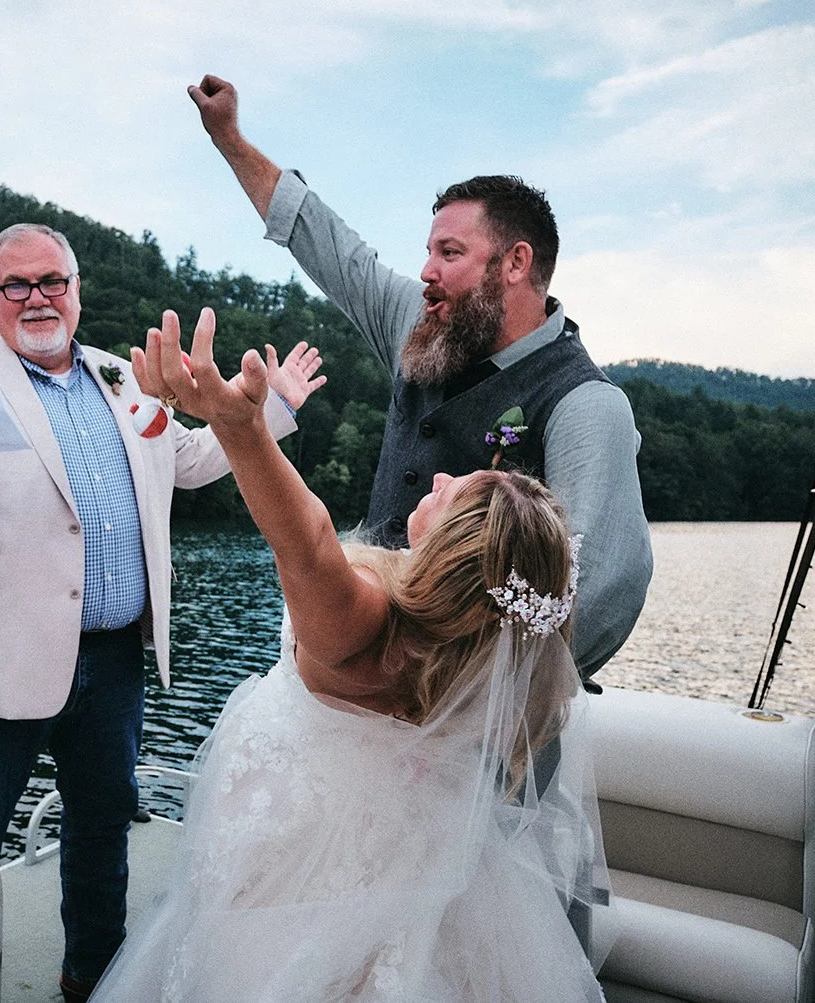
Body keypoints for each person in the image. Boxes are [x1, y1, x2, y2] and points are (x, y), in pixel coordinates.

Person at [0, 222, 326, 1001]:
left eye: (52, 282)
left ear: (76, 290)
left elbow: (190, 460)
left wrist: (266, 411)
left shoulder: (123, 376)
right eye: (17, 284)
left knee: (103, 835)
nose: (36, 297)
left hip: (113, 661)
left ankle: (93, 982)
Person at [91, 308, 612, 1002]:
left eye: (451, 495)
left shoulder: (364, 625)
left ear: (454, 554)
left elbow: (303, 538)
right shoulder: (480, 640)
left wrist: (241, 428)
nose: (436, 481)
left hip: (297, 869)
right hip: (412, 860)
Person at [188, 74, 653, 681]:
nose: (427, 270)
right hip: (355, 676)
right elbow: (332, 250)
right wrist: (230, 139)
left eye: (450, 253)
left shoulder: (586, 405)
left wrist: (456, 693)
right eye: (429, 251)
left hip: (470, 722)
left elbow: (595, 589)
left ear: (516, 262)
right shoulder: (423, 321)